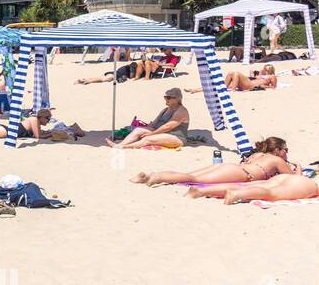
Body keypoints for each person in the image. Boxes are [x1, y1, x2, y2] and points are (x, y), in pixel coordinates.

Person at [132, 137, 294, 186]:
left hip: (231, 167)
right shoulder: (276, 160)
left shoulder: (259, 155)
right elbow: (294, 179)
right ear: (277, 150)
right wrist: (298, 167)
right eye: (285, 150)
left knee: (188, 175)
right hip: (241, 173)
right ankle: (156, 178)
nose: (286, 153)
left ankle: (149, 175)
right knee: (192, 179)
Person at [107, 87, 190, 150]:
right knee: (138, 130)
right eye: (165, 97)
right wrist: (144, 128)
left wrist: (151, 133)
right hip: (162, 133)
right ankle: (120, 144)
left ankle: (125, 147)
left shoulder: (181, 111)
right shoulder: (165, 110)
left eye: (169, 98)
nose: (166, 99)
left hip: (176, 137)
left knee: (148, 139)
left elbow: (168, 127)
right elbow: (154, 124)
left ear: (177, 99)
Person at [188, 173, 319, 205]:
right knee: (271, 194)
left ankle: (203, 191)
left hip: (288, 177)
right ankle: (236, 194)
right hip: (306, 185)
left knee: (250, 186)